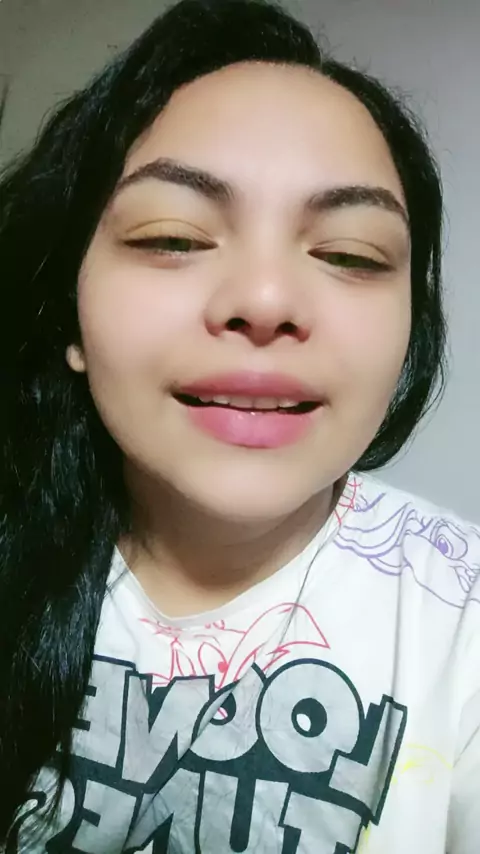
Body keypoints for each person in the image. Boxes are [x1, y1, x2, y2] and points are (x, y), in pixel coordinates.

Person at [0, 0, 478, 850]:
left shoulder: (461, 623)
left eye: (350, 254)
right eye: (173, 238)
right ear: (68, 313)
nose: (264, 300)